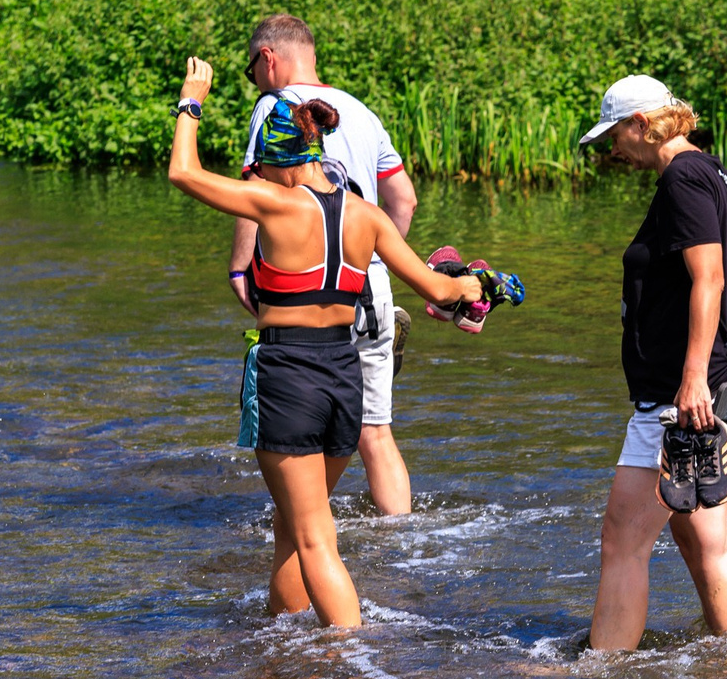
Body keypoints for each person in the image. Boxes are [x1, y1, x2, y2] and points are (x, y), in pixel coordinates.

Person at [169, 57, 493, 626]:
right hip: (345, 376)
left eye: (264, 169)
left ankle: (353, 656)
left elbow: (184, 173)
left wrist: (191, 101)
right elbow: (441, 289)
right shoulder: (368, 216)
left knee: (315, 537)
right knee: (293, 525)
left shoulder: (275, 203)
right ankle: (282, 639)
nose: (261, 179)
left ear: (283, 163)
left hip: (288, 375)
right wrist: (478, 285)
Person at [580, 74, 727, 652]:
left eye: (614, 135)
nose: (613, 149)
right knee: (704, 543)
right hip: (712, 384)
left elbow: (709, 279)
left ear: (641, 124)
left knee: (623, 544)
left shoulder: (682, 177)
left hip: (680, 397)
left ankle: (602, 677)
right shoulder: (707, 170)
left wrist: (690, 382)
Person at [228, 14, 422, 515]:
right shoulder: (362, 111)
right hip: (371, 283)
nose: (255, 80)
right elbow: (404, 201)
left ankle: (306, 534)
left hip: (307, 291)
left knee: (299, 430)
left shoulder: (275, 106)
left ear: (267, 58)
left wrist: (240, 271)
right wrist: (370, 258)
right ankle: (403, 544)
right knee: (376, 431)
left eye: (251, 71)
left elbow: (257, 191)